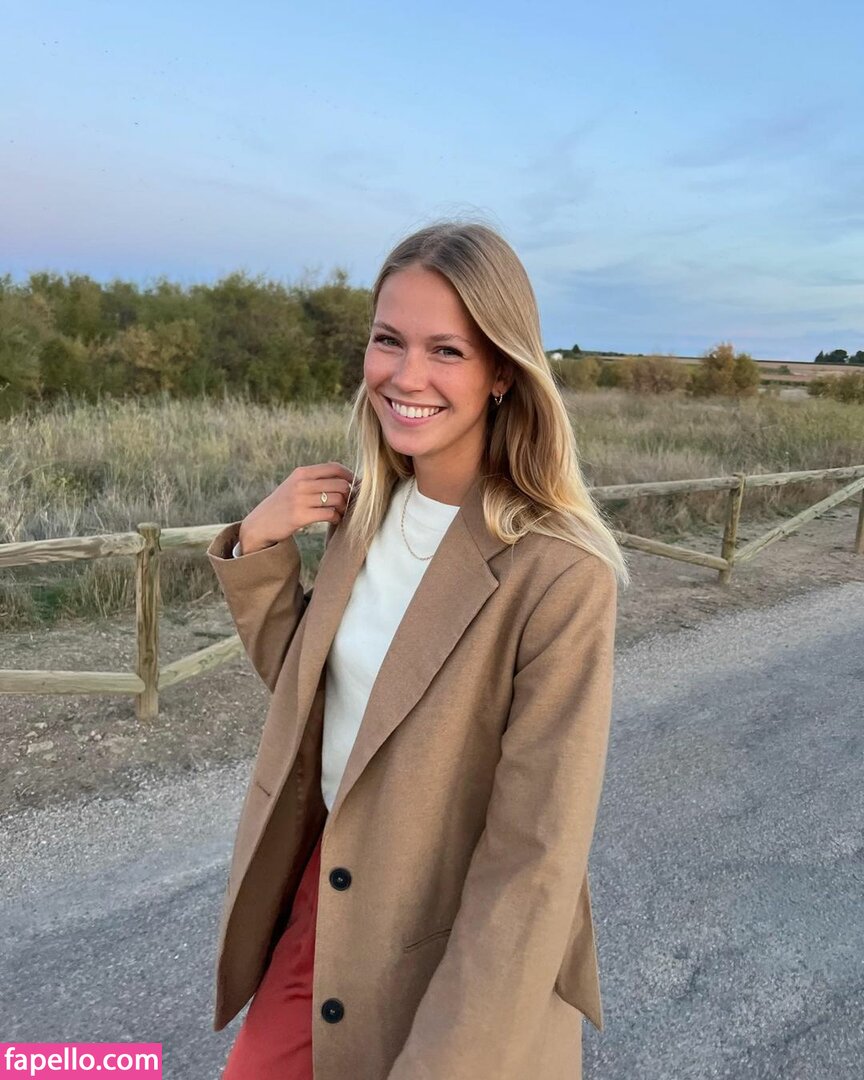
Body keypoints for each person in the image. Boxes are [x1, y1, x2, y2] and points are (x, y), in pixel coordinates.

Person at [206, 220, 629, 1079]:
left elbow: (533, 859)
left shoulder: (560, 574)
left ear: (502, 371)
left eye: (447, 351)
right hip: (330, 900)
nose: (406, 376)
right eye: (389, 340)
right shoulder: (365, 515)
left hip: (463, 940)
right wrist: (259, 544)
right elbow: (320, 700)